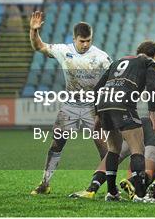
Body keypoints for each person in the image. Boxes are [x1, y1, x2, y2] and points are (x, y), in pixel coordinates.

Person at [29, 12, 110, 195]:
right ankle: (45, 183)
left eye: (88, 40)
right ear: (74, 39)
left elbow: (112, 80)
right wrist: (34, 31)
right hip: (70, 106)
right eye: (82, 41)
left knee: (104, 147)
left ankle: (109, 187)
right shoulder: (64, 50)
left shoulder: (101, 57)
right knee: (57, 143)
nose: (85, 44)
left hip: (93, 107)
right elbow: (39, 46)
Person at [94, 40, 155, 203]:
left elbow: (97, 88)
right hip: (123, 103)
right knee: (137, 147)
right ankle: (140, 195)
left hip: (104, 104)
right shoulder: (149, 63)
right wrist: (152, 112)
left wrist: (97, 114)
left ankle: (111, 192)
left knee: (114, 148)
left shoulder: (118, 61)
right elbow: (151, 86)